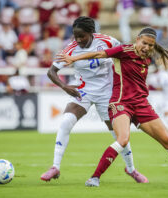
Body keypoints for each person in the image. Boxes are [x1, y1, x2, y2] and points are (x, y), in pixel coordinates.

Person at [57, 27, 168, 186]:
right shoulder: (124, 50)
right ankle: (94, 178)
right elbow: (99, 53)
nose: (147, 47)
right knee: (123, 139)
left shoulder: (147, 58)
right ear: (137, 40)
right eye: (144, 43)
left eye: (150, 45)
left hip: (142, 104)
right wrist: (74, 59)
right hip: (120, 103)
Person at [40, 16, 148, 183]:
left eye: (82, 36)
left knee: (119, 135)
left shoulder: (108, 41)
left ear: (91, 33)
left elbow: (126, 54)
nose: (78, 40)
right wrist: (64, 86)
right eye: (75, 36)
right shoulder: (71, 49)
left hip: (108, 93)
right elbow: (51, 72)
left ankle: (131, 169)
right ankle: (55, 167)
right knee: (65, 121)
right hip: (83, 91)